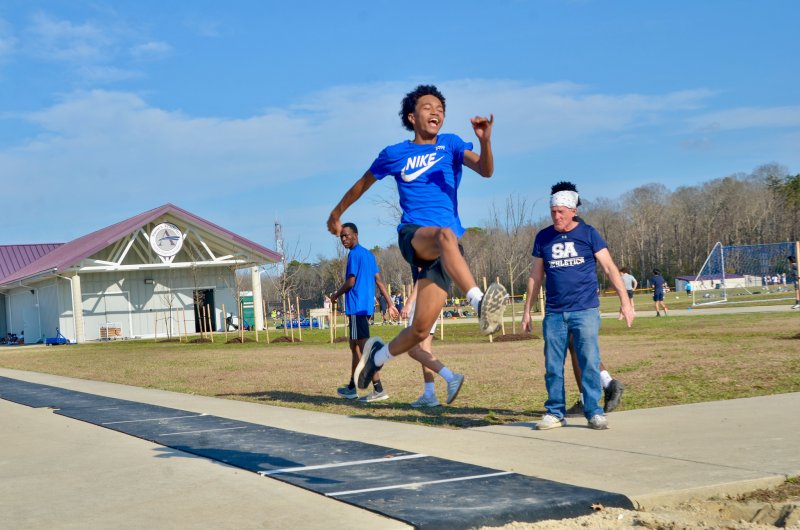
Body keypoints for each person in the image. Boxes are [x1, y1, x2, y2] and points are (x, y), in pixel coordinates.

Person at [326, 84, 508, 403]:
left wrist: (485, 141)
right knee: (444, 234)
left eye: (440, 108)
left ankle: (376, 359)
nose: (435, 111)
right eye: (427, 107)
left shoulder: (450, 145)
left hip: (447, 253)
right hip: (415, 234)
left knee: (421, 331)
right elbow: (361, 185)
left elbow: (485, 170)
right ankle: (480, 304)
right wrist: (336, 213)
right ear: (412, 117)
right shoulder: (395, 154)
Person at [522, 181, 634, 430]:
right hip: (554, 313)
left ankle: (593, 411)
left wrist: (625, 302)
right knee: (552, 365)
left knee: (589, 362)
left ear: (573, 211)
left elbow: (609, 268)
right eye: (553, 211)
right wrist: (527, 310)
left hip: (585, 311)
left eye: (561, 211)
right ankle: (554, 412)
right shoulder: (543, 237)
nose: (556, 216)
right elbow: (535, 276)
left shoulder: (589, 233)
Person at [329, 223, 398, 403]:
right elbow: (379, 281)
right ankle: (352, 387)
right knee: (355, 347)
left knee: (364, 350)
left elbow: (351, 282)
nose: (344, 239)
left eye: (346, 235)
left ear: (356, 235)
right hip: (365, 309)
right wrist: (390, 304)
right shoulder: (368, 255)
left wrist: (335, 295)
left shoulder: (354, 254)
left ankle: (378, 389)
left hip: (356, 309)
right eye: (341, 237)